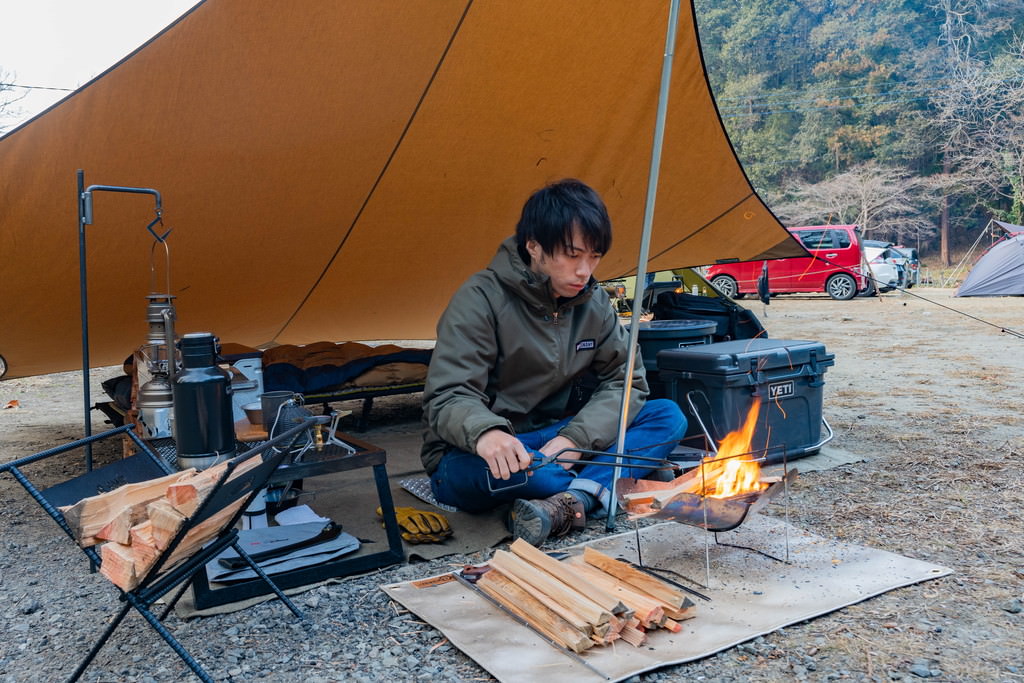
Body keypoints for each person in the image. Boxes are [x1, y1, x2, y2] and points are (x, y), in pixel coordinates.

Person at [420, 179, 687, 546]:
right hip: (479, 451)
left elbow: (626, 380)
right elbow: (448, 395)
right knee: (537, 476)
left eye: (594, 257)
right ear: (533, 246)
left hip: (558, 439)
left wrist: (573, 439)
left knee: (667, 415)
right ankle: (602, 483)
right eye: (573, 255)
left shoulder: (592, 303)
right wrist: (486, 432)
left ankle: (574, 497)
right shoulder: (479, 299)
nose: (584, 271)